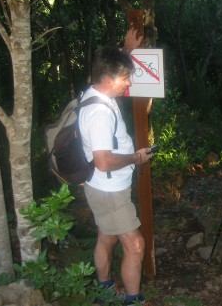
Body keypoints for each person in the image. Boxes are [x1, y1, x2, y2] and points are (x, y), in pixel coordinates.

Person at [78, 34, 153, 305]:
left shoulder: (93, 90)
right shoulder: (99, 114)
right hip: (110, 190)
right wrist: (136, 158)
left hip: (101, 187)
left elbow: (103, 66)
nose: (128, 83)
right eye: (125, 79)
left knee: (106, 238)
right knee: (135, 245)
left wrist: (126, 50)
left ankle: (104, 289)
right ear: (109, 81)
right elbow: (103, 161)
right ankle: (134, 300)